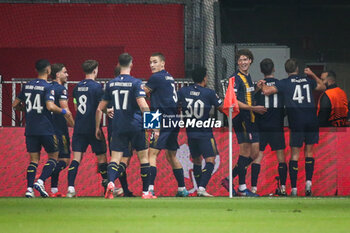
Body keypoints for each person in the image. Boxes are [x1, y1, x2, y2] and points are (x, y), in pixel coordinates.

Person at [96, 53, 157, 199]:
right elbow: (143, 106)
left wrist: (108, 110)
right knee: (143, 157)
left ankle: (110, 183)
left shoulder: (111, 84)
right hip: (136, 125)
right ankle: (145, 192)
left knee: (115, 158)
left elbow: (101, 107)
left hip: (118, 125)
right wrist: (153, 125)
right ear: (131, 64)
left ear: (119, 64)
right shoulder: (136, 83)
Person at [260, 59, 326, 196]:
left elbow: (267, 91)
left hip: (296, 120)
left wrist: (260, 86)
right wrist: (312, 74)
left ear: (286, 70)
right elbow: (322, 87)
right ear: (297, 68)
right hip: (311, 119)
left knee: (295, 154)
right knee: (309, 152)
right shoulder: (307, 80)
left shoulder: (284, 83)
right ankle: (308, 185)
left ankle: (294, 189)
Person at [12, 59, 72, 198]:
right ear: (48, 70)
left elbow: (15, 104)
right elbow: (50, 106)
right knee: (54, 157)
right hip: (45, 128)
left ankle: (29, 189)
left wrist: (26, 110)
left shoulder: (27, 86)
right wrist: (64, 112)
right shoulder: (48, 86)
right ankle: (40, 181)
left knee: (33, 160)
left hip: (30, 129)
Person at [221, 49, 266, 196]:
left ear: (251, 60)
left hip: (251, 118)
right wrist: (253, 107)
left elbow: (247, 96)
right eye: (240, 60)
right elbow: (233, 101)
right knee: (246, 152)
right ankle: (241, 187)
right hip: (242, 119)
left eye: (245, 59)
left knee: (253, 154)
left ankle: (230, 179)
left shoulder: (247, 76)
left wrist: (257, 88)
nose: (243, 62)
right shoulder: (235, 78)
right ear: (237, 62)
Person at [143, 52, 189, 197]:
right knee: (171, 155)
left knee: (152, 153)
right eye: (150, 62)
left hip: (160, 117)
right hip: (173, 118)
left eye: (155, 62)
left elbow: (142, 93)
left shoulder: (156, 77)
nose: (152, 65)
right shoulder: (169, 77)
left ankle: (149, 189)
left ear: (163, 63)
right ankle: (182, 189)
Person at [178, 66, 223, 197]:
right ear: (205, 78)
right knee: (210, 160)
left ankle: (199, 188)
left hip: (191, 132)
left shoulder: (183, 91)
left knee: (197, 160)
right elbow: (221, 108)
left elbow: (176, 105)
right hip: (204, 132)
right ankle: (202, 188)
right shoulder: (209, 93)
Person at [66, 60, 108, 198]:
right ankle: (107, 187)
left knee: (76, 158)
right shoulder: (97, 87)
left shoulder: (77, 87)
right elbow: (99, 109)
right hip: (92, 127)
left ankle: (71, 188)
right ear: (95, 70)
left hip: (79, 127)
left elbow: (77, 107)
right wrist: (97, 127)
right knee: (101, 157)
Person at [253, 58, 286, 195]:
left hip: (262, 125)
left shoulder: (259, 86)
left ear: (261, 70)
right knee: (281, 157)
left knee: (258, 157)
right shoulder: (280, 84)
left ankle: (254, 188)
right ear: (273, 69)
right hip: (277, 125)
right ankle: (283, 187)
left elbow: (253, 104)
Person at [106, 65, 135, 197]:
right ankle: (110, 181)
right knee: (125, 160)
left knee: (115, 158)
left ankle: (124, 189)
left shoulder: (110, 87)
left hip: (113, 128)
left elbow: (100, 106)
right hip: (127, 127)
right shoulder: (132, 86)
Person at [49, 63, 75, 197]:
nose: (67, 74)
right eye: (65, 72)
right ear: (58, 74)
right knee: (64, 160)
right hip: (59, 129)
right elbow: (66, 111)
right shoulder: (61, 90)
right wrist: (74, 126)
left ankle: (54, 190)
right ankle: (42, 179)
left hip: (47, 129)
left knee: (54, 159)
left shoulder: (46, 87)